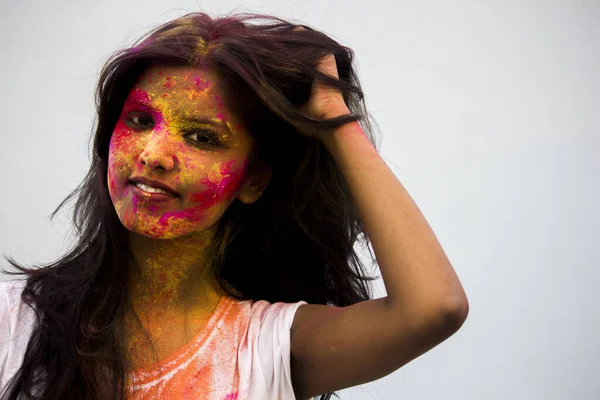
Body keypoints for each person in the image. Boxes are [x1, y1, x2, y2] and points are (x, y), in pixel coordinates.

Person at [0, 11, 469, 400]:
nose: (153, 153)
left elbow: (434, 308)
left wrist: (334, 117)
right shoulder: (12, 320)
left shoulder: (268, 348)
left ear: (254, 180)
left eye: (202, 137)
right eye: (141, 120)